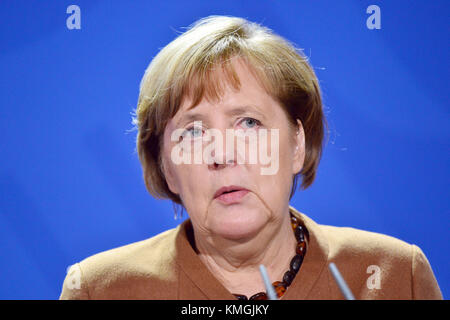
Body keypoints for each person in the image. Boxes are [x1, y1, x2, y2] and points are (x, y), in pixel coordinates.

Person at [59, 15, 442, 300]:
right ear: (167, 169)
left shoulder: (393, 276)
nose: (222, 153)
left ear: (296, 145)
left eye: (248, 122)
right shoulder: (101, 290)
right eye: (192, 132)